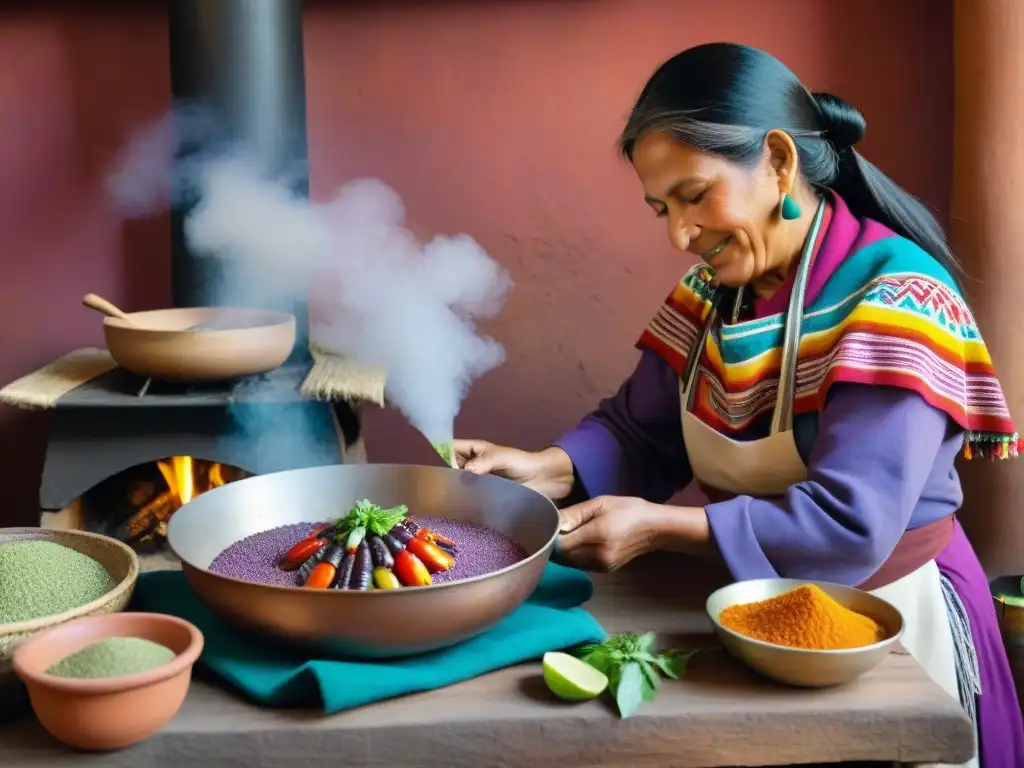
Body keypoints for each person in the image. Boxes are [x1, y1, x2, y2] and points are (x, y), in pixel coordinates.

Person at [454, 43, 1023, 767]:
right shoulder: (710, 295)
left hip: (891, 625)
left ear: (779, 163)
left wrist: (663, 528)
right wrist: (550, 467)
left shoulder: (898, 298)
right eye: (662, 208)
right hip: (754, 613)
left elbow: (851, 525)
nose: (678, 235)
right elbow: (641, 430)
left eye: (694, 196)